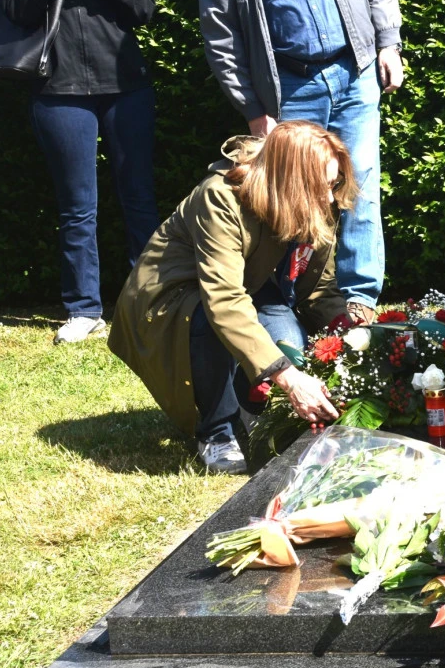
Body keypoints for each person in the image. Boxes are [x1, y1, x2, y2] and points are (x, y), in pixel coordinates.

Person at [198, 0, 403, 327]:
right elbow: (222, 35)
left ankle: (359, 302)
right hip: (288, 86)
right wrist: (253, 108)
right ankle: (292, 304)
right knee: (291, 198)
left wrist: (388, 42)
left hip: (355, 69)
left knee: (360, 186)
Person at [108, 122, 350, 475]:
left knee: (288, 342)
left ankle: (242, 414)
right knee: (212, 324)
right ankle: (216, 431)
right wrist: (289, 378)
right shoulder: (220, 196)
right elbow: (223, 299)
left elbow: (318, 290)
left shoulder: (315, 198)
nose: (329, 198)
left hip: (245, 287)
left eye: (334, 184)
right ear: (291, 181)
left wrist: (357, 335)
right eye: (322, 187)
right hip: (171, 300)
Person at [0, 0, 157, 345]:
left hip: (125, 85)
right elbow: (11, 6)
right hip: (59, 87)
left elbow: (144, 10)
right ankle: (84, 309)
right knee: (77, 204)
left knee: (139, 195)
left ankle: (153, 301)